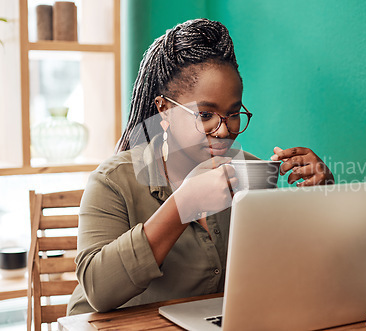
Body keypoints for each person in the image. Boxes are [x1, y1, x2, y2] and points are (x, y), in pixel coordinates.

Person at [67, 18, 334, 315]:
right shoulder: (113, 181)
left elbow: (295, 268)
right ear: (164, 110)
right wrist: (184, 204)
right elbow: (98, 290)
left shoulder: (252, 174)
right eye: (205, 114)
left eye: (233, 114)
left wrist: (323, 199)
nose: (223, 131)